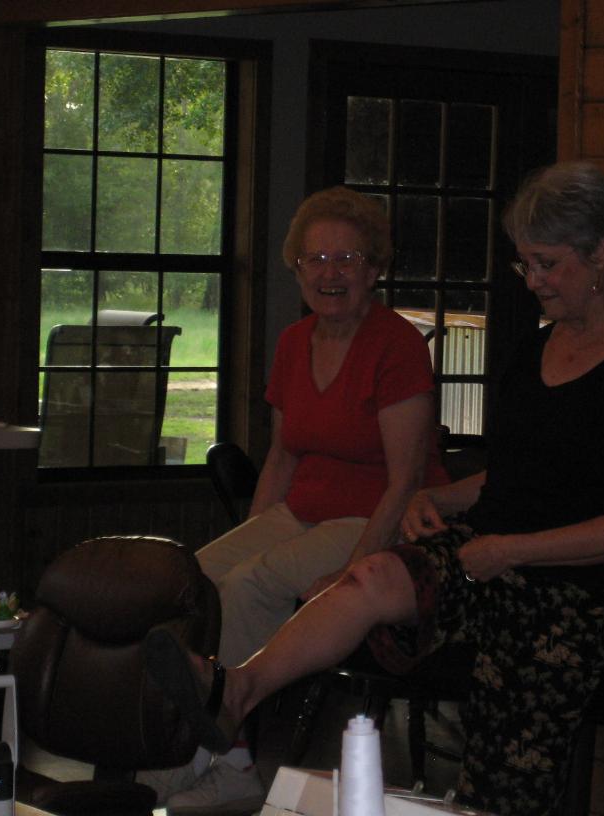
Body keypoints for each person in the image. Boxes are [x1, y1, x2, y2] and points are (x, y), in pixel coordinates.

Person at [146, 161, 604, 816]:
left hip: (572, 589)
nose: (534, 281)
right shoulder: (535, 351)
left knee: (503, 780)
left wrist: (512, 550)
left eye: (548, 264)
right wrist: (435, 498)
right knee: (371, 578)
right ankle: (238, 688)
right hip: (486, 554)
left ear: (600, 251)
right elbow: (514, 476)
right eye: (525, 264)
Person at [153, 186, 448, 814]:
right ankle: (234, 763)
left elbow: (405, 481)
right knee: (191, 581)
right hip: (305, 509)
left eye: (347, 259)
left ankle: (189, 760)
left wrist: (350, 573)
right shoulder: (294, 342)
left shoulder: (396, 345)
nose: (330, 273)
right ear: (297, 269)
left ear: (374, 269)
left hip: (376, 515)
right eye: (316, 259)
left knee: (252, 584)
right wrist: (257, 531)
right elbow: (283, 457)